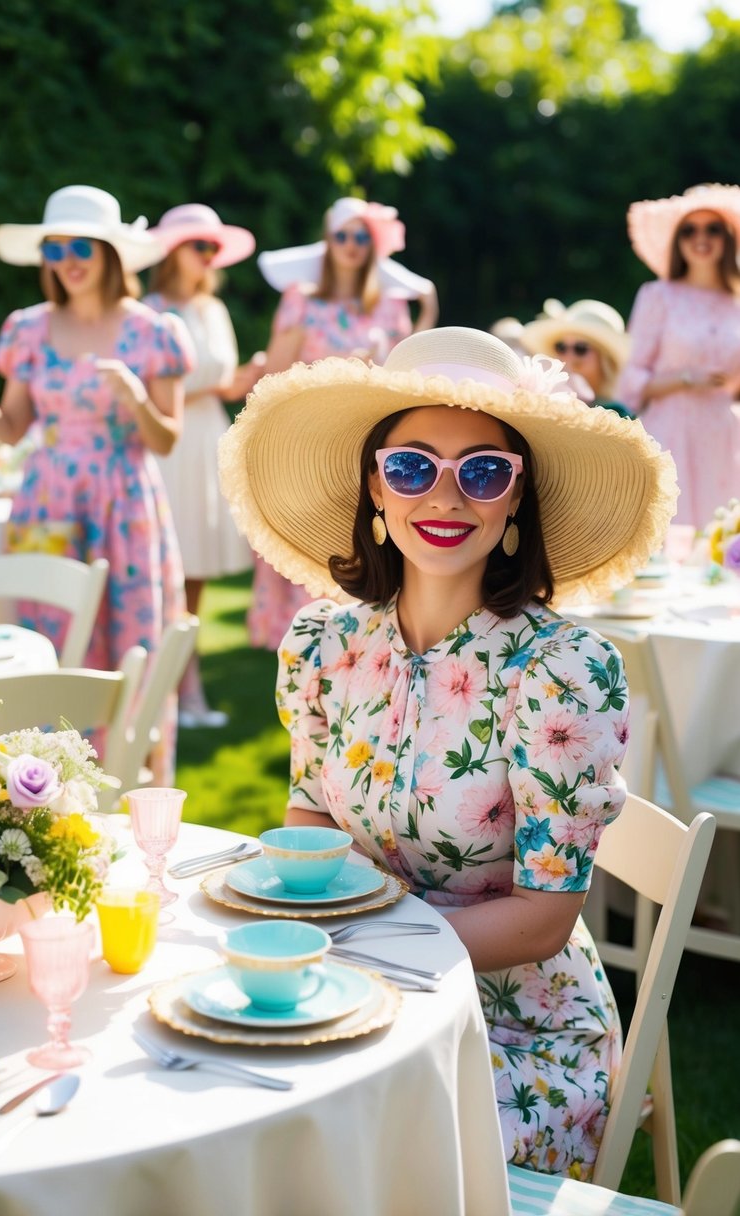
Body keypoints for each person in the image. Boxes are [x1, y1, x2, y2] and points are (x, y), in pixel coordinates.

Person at [218, 326, 677, 1178]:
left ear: (514, 499)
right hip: (359, 991)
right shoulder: (322, 640)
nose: (444, 497)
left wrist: (360, 950)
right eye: (410, 467)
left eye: (482, 471)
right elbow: (312, 820)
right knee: (235, 1103)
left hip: (513, 1032)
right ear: (375, 488)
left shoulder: (562, 673)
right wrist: (319, 944)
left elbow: (543, 921)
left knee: (338, 1148)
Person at [0, 185, 194, 780]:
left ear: (110, 252)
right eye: (55, 248)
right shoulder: (28, 329)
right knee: (47, 636)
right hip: (47, 502)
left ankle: (129, 777)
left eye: (82, 245)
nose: (69, 259)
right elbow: (9, 427)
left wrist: (134, 396)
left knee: (131, 635)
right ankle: (44, 785)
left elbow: (167, 440)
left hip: (124, 502)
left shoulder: (153, 331)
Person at [241, 196, 439, 652]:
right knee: (304, 524)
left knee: (356, 529)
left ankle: (353, 632)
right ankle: (295, 639)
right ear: (327, 242)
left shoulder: (389, 305)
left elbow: (408, 371)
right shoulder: (301, 299)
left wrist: (424, 314)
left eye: (362, 236)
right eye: (343, 236)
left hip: (364, 433)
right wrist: (333, 370)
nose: (352, 245)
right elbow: (275, 372)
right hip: (306, 432)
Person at [144, 203, 256, 728]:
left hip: (207, 434)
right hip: (171, 444)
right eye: (199, 246)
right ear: (173, 251)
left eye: (213, 247)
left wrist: (251, 376)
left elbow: (224, 379)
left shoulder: (213, 310)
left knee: (194, 584)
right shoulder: (147, 309)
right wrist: (216, 385)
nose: (208, 256)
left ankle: (189, 693)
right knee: (166, 574)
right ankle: (168, 695)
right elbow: (151, 387)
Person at [619, 182, 740, 526]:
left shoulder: (737, 303)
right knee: (670, 536)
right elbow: (631, 379)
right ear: (678, 240)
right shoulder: (658, 296)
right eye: (690, 230)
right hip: (671, 432)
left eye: (713, 229)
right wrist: (686, 379)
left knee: (720, 542)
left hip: (725, 435)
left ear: (728, 238)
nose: (701, 237)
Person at [521, 299, 634, 419]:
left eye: (580, 348)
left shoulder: (617, 413)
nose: (568, 356)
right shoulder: (547, 400)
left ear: (604, 359)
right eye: (561, 347)